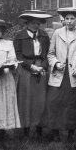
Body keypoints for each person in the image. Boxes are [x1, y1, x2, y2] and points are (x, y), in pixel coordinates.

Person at [44, 7, 76, 142]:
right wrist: (56, 63)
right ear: (63, 19)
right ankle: (55, 131)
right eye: (67, 18)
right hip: (59, 73)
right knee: (55, 102)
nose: (69, 22)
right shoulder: (57, 33)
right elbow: (50, 54)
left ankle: (71, 132)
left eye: (72, 19)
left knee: (73, 103)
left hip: (74, 74)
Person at [13, 10, 52, 138]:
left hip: (41, 67)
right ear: (27, 23)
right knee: (26, 98)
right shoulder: (19, 36)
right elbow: (17, 55)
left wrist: (43, 66)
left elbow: (47, 54)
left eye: (38, 23)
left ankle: (40, 127)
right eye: (33, 22)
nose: (36, 25)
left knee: (42, 99)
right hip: (26, 68)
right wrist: (30, 66)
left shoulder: (44, 36)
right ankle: (26, 128)